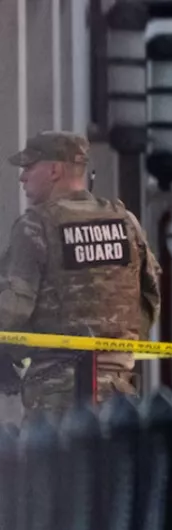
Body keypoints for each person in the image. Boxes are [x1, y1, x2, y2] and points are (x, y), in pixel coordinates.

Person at [0, 131, 161, 414]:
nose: (22, 177)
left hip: (56, 393)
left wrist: (9, 355)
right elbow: (150, 297)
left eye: (29, 167)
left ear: (54, 170)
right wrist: (118, 349)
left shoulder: (35, 225)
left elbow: (11, 310)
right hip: (118, 390)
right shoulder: (126, 222)